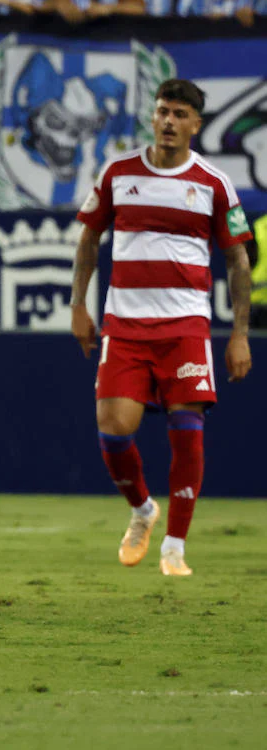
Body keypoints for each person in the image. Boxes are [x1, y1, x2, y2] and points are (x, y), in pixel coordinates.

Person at [71, 78, 254, 578]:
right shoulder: (119, 173)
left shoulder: (213, 183)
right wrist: (78, 306)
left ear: (196, 124)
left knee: (187, 436)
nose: (169, 121)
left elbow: (238, 261)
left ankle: (174, 546)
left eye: (179, 114)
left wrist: (239, 333)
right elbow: (89, 240)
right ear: (152, 117)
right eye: (162, 111)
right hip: (125, 326)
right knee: (113, 430)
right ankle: (142, 511)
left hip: (185, 329)